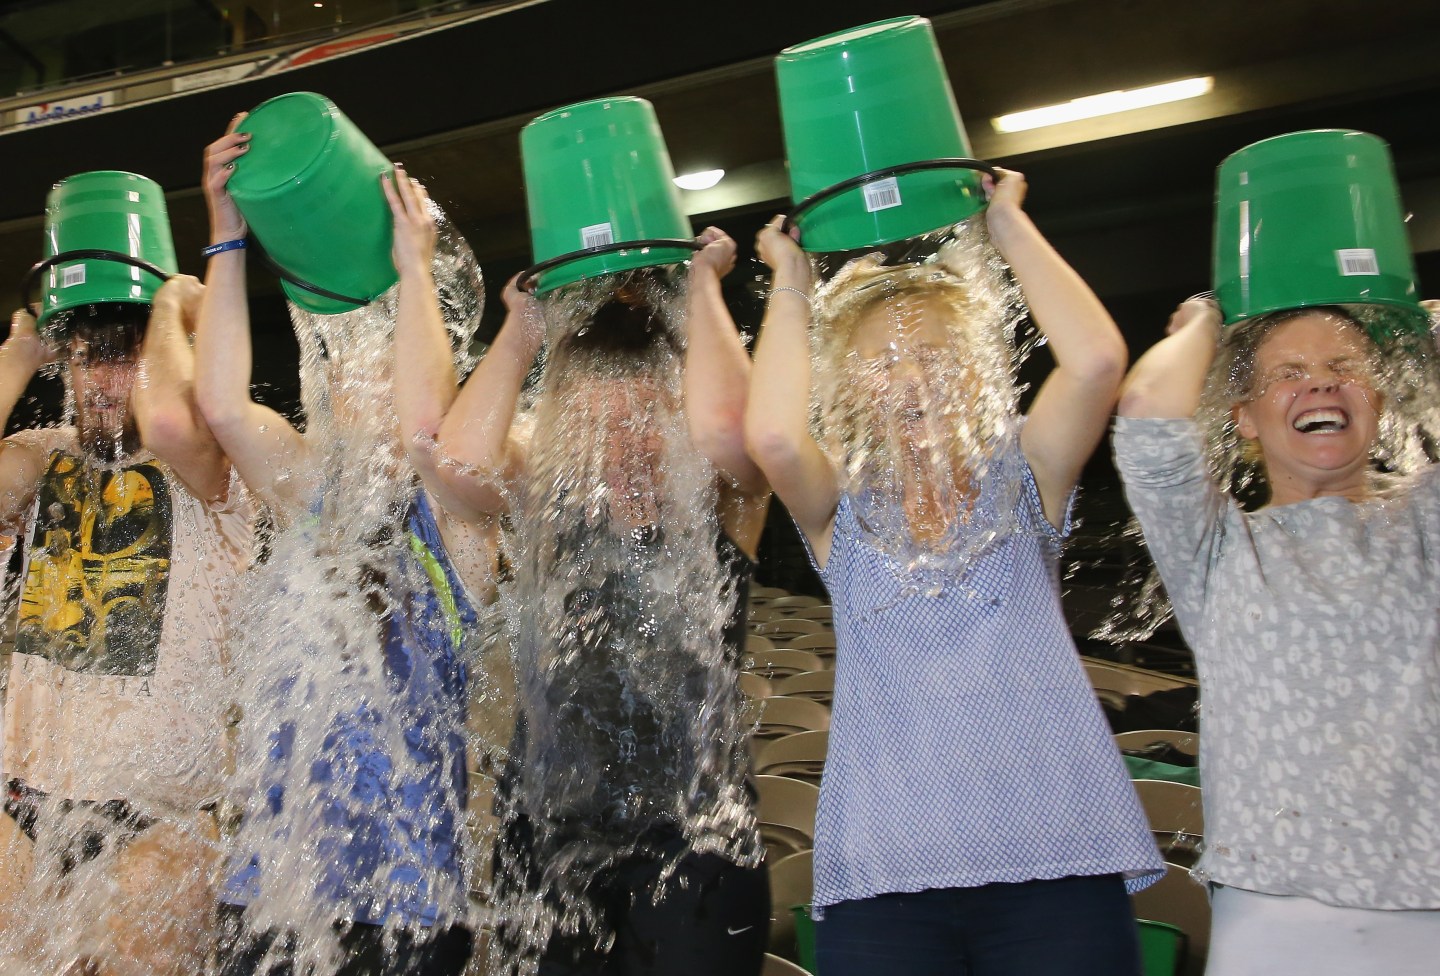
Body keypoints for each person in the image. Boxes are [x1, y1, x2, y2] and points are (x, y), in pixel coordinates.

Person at [743, 167, 1162, 976]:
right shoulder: (844, 509)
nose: (910, 377)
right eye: (880, 363)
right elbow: (776, 441)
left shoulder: (1025, 472)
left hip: (1056, 857)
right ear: (852, 392)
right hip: (889, 873)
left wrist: (1006, 225)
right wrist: (790, 286)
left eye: (934, 354)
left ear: (974, 369)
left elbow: (1098, 362)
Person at [384, 166, 772, 976]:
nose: (622, 451)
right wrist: (525, 329)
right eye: (597, 425)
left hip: (696, 843)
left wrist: (701, 290)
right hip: (548, 838)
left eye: (643, 424)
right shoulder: (543, 499)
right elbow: (451, 458)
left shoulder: (722, 499)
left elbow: (741, 431)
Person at [195, 117, 492, 976]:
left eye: (380, 356)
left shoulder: (456, 511)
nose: (350, 377)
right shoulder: (303, 489)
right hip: (271, 890)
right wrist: (224, 236)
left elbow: (431, 432)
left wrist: (411, 271)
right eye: (339, 361)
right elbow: (218, 406)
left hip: (407, 902)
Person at [1114, 296, 1440, 975]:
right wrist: (1208, 321)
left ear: (1378, 402)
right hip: (1271, 911)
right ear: (1245, 419)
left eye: (1342, 366)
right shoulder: (1219, 550)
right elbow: (1144, 408)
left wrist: (1422, 331)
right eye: (1287, 373)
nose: (1319, 382)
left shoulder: (1424, 525)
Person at [0, 273, 253, 976]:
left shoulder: (218, 468)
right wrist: (18, 358)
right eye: (87, 358)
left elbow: (171, 421)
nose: (102, 381)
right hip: (23, 799)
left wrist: (171, 303)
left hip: (161, 816)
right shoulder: (44, 455)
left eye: (126, 356)